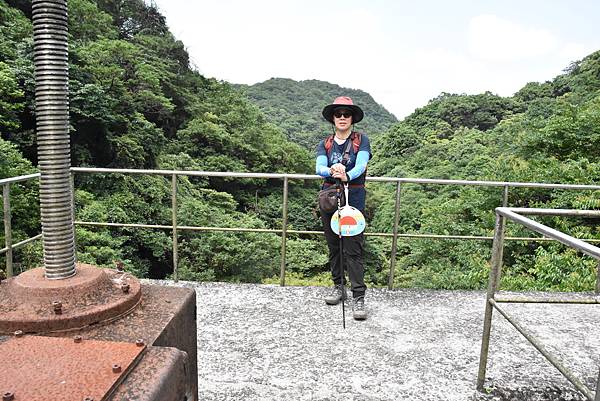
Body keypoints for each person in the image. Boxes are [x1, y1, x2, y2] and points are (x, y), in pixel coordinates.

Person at [315, 96, 372, 320]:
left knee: (353, 247)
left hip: (354, 198)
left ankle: (359, 296)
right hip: (330, 198)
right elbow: (319, 166)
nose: (341, 117)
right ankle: (339, 287)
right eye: (338, 114)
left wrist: (346, 174)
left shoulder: (361, 141)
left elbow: (362, 165)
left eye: (346, 114)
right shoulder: (326, 143)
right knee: (334, 245)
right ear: (332, 118)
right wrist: (332, 171)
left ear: (352, 118)